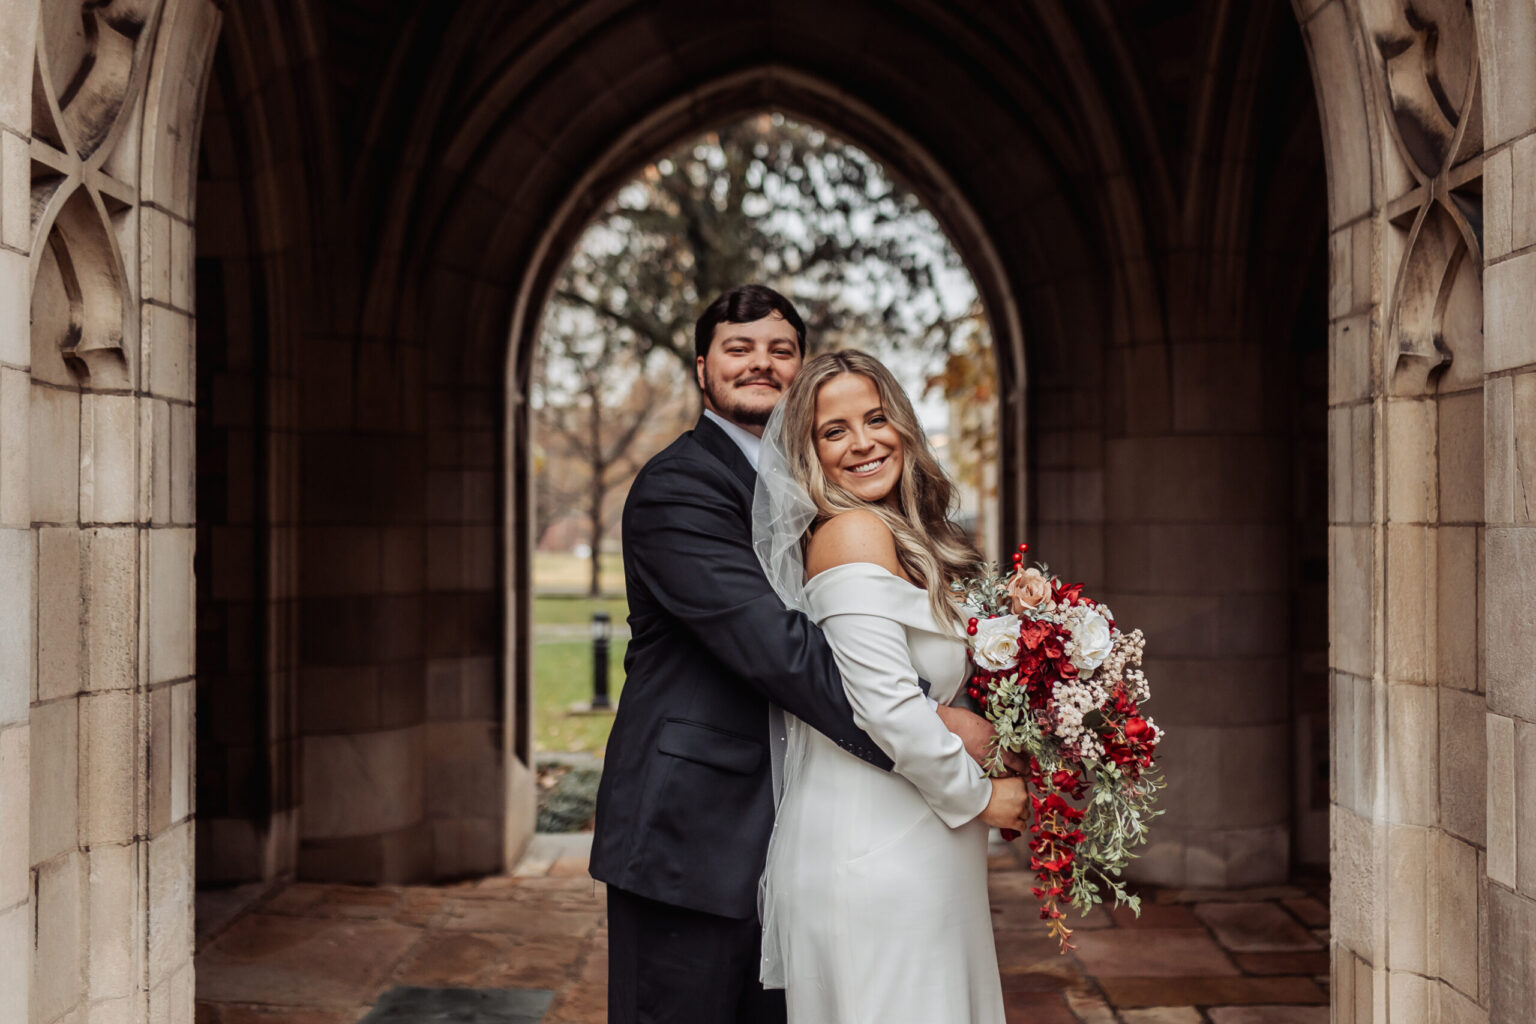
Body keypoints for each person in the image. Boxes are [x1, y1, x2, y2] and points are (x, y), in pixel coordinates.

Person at [589, 286, 1022, 1024]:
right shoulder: (679, 488)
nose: (761, 363)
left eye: (781, 350)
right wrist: (934, 723)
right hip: (693, 835)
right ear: (702, 369)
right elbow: (778, 649)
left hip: (794, 824)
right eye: (739, 348)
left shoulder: (831, 499)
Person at [753, 349, 1019, 1022]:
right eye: (834, 430)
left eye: (876, 418)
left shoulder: (908, 535)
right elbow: (886, 706)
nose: (864, 442)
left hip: (920, 841)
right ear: (808, 452)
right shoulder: (850, 534)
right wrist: (985, 799)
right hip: (875, 851)